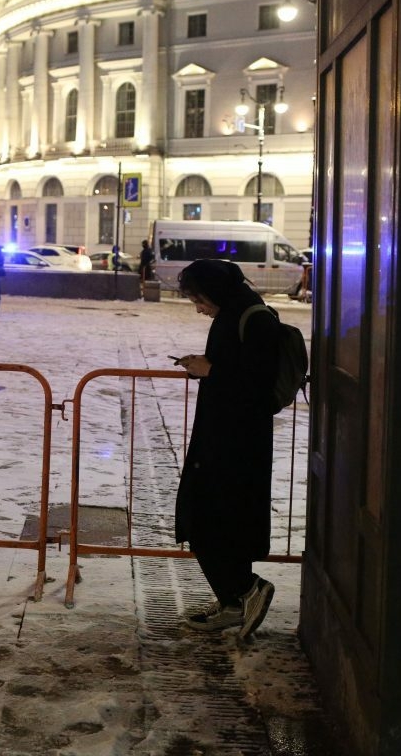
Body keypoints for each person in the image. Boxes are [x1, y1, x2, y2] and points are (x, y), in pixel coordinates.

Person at [173, 259, 278, 638]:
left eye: (198, 299)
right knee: (202, 518)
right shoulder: (232, 314)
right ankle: (233, 600)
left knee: (206, 518)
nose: (198, 307)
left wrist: (211, 371)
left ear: (214, 291)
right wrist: (206, 366)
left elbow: (257, 384)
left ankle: (248, 589)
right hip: (220, 435)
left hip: (236, 443)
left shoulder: (254, 318)